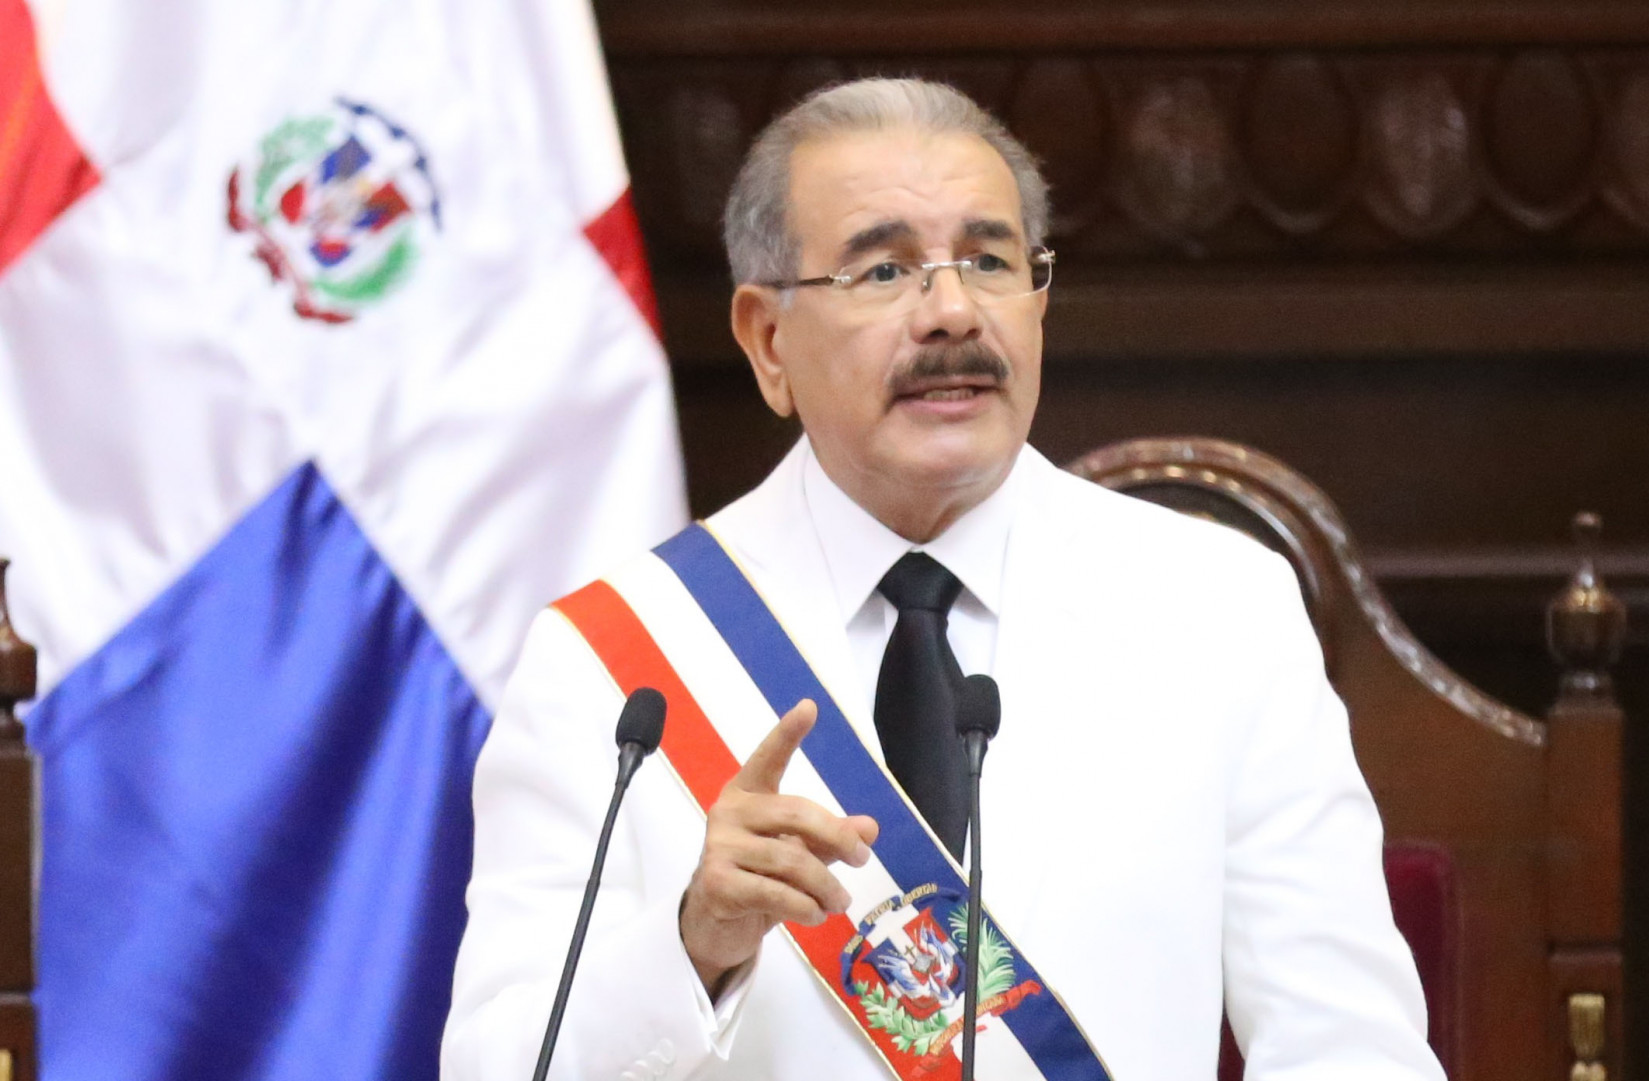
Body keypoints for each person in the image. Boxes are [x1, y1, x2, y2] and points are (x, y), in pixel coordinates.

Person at [441, 78, 1443, 1081]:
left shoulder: (1219, 610)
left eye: (991, 261)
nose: (954, 312)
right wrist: (692, 945)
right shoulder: (612, 662)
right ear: (768, 341)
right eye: (884, 269)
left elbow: (1351, 1049)